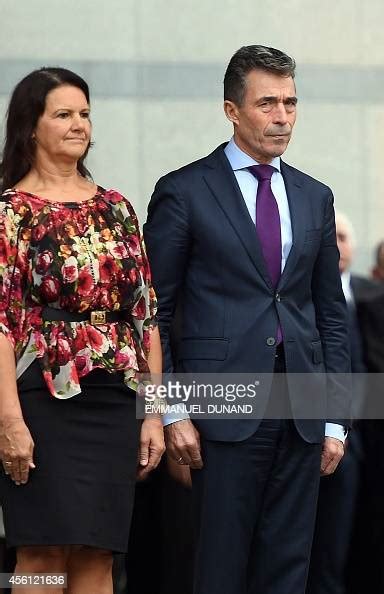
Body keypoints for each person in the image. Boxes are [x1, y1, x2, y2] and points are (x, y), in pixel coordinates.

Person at [144, 45, 351, 594]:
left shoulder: (316, 196)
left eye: (291, 102)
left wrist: (335, 417)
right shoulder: (183, 191)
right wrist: (169, 412)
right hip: (218, 408)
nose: (282, 116)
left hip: (301, 413)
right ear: (233, 110)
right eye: (267, 103)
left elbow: (330, 314)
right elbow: (152, 314)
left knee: (287, 573)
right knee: (217, 570)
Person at [0, 67, 164, 594]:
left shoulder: (116, 208)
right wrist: (9, 421)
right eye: (64, 114)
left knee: (97, 553)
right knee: (42, 553)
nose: (79, 125)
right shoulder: (10, 214)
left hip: (115, 396)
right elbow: (1, 323)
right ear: (31, 127)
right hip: (39, 399)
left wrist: (154, 414)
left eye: (85, 114)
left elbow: (146, 316)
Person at [307, 211, 371, 594]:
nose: (336, 246)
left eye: (344, 237)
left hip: (351, 441)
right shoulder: (295, 296)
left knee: (336, 550)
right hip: (297, 432)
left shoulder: (368, 296)